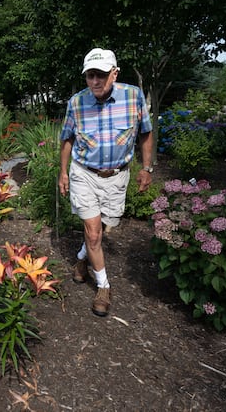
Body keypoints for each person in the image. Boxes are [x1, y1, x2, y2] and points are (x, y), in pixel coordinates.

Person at [58, 47, 154, 316]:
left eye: (101, 75)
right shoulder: (77, 103)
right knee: (93, 231)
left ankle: (81, 259)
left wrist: (146, 168)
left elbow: (146, 134)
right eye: (90, 76)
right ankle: (103, 286)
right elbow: (67, 138)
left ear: (115, 73)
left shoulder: (133, 97)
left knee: (101, 227)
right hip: (84, 173)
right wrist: (63, 172)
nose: (95, 82)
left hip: (116, 176)